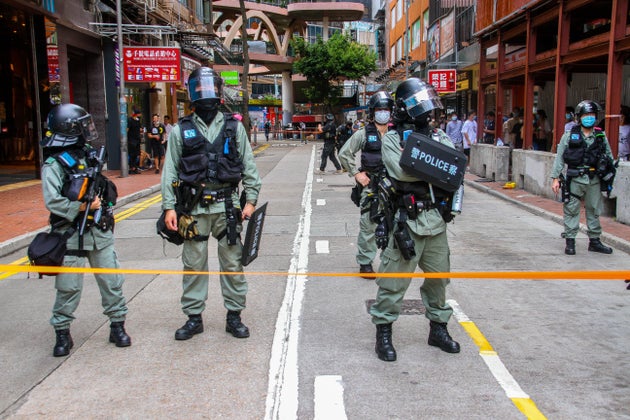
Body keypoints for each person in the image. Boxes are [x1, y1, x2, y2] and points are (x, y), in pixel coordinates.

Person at [161, 67, 262, 341]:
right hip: (193, 209)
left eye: (210, 88)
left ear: (218, 92)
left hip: (227, 207)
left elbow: (249, 167)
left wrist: (250, 200)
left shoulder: (234, 127)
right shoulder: (181, 130)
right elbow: (170, 170)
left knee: (232, 265)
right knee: (193, 265)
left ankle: (234, 316)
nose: (206, 93)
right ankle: (194, 318)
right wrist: (169, 207)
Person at [369, 78, 461, 362]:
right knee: (393, 283)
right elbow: (401, 172)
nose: (426, 111)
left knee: (438, 280)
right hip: (406, 222)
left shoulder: (438, 135)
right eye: (419, 104)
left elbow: (454, 168)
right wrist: (435, 168)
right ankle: (384, 332)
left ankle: (438, 329)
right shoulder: (393, 139)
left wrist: (426, 165)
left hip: (435, 221)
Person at [40, 103, 131, 357]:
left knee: (111, 281)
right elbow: (52, 200)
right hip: (69, 234)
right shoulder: (54, 164)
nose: (87, 131)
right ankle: (62, 332)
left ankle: (117, 326)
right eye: (81, 126)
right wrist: (81, 207)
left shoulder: (88, 155)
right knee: (68, 287)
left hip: (98, 232)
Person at [338, 91, 395, 278]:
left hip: (395, 185)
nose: (383, 113)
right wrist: (356, 174)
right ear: (373, 112)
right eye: (380, 109)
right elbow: (345, 153)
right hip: (372, 186)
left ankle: (391, 262)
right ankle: (365, 262)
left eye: (386, 109)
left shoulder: (398, 133)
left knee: (395, 224)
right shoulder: (363, 133)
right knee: (368, 224)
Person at [551, 100, 615, 255]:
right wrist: (555, 178)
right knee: (572, 209)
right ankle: (570, 241)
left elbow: (609, 157)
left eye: (592, 114)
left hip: (594, 179)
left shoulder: (600, 135)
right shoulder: (569, 135)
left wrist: (608, 174)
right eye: (586, 114)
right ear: (579, 117)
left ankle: (594, 241)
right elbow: (559, 157)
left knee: (594, 210)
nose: (589, 117)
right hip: (575, 179)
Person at [127, 108, 142, 174]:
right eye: (139, 113)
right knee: (131, 154)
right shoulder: (130, 120)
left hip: (137, 139)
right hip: (131, 139)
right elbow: (127, 129)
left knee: (137, 154)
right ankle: (131, 168)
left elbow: (140, 128)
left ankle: (135, 167)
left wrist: (141, 130)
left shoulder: (138, 120)